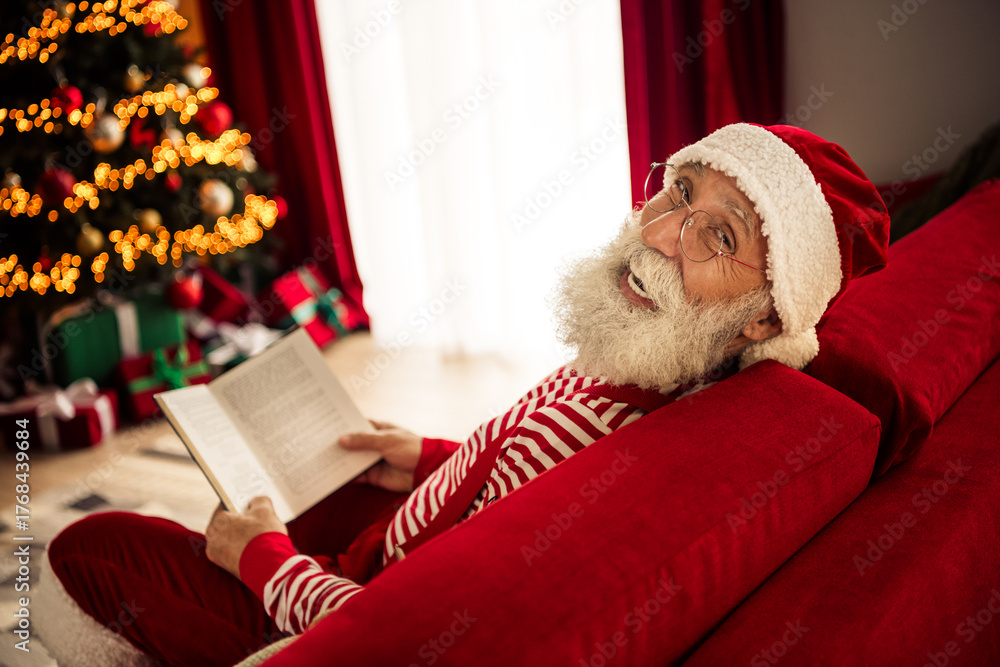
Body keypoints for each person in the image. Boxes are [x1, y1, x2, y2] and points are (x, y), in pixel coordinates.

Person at [34, 123, 890, 666]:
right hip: (395, 534)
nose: (661, 232)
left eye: (720, 235)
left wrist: (261, 559)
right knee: (286, 468)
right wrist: (426, 458)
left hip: (339, 605)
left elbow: (395, 637)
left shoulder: (634, 446)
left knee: (92, 546)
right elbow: (522, 473)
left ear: (760, 321)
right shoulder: (656, 361)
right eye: (681, 190)